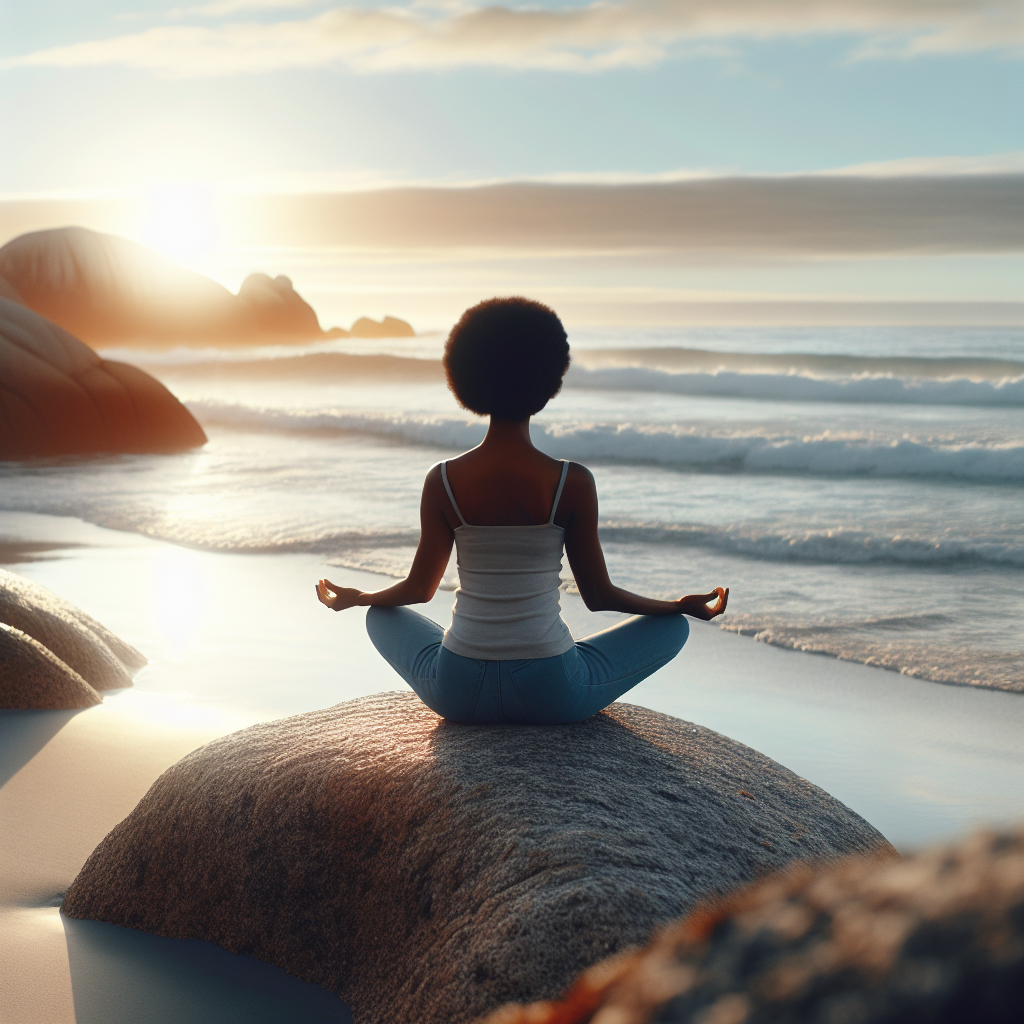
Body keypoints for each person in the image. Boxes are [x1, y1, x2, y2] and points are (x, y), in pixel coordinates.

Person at [316, 297, 728, 724]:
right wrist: (678, 605)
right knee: (673, 627)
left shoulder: (442, 480)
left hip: (459, 692)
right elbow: (599, 597)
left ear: (467, 378)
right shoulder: (572, 482)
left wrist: (359, 598)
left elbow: (419, 590)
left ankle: (459, 650)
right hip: (550, 693)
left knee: (380, 617)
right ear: (547, 381)